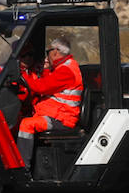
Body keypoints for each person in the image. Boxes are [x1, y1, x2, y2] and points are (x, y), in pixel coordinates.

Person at [15, 35, 83, 170]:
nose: (47, 56)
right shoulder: (62, 67)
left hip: (62, 119)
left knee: (26, 124)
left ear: (55, 52)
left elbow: (41, 87)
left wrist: (22, 75)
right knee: (19, 120)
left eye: (48, 52)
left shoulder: (66, 70)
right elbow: (48, 85)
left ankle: (22, 169)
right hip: (56, 115)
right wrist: (46, 69)